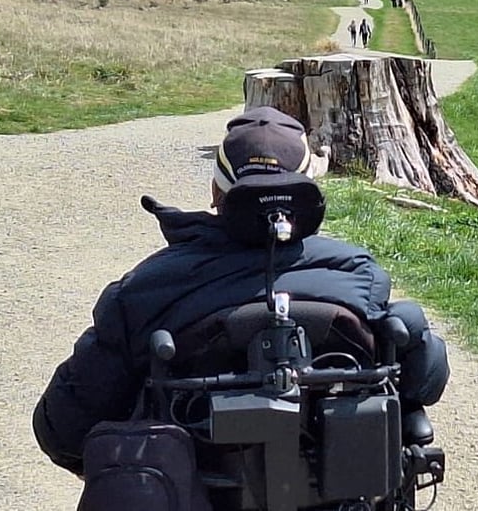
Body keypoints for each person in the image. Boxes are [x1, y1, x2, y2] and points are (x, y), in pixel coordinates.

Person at [33, 108, 449, 478]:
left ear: (216, 193)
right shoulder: (360, 275)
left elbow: (62, 429)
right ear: (307, 196)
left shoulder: (145, 290)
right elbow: (425, 383)